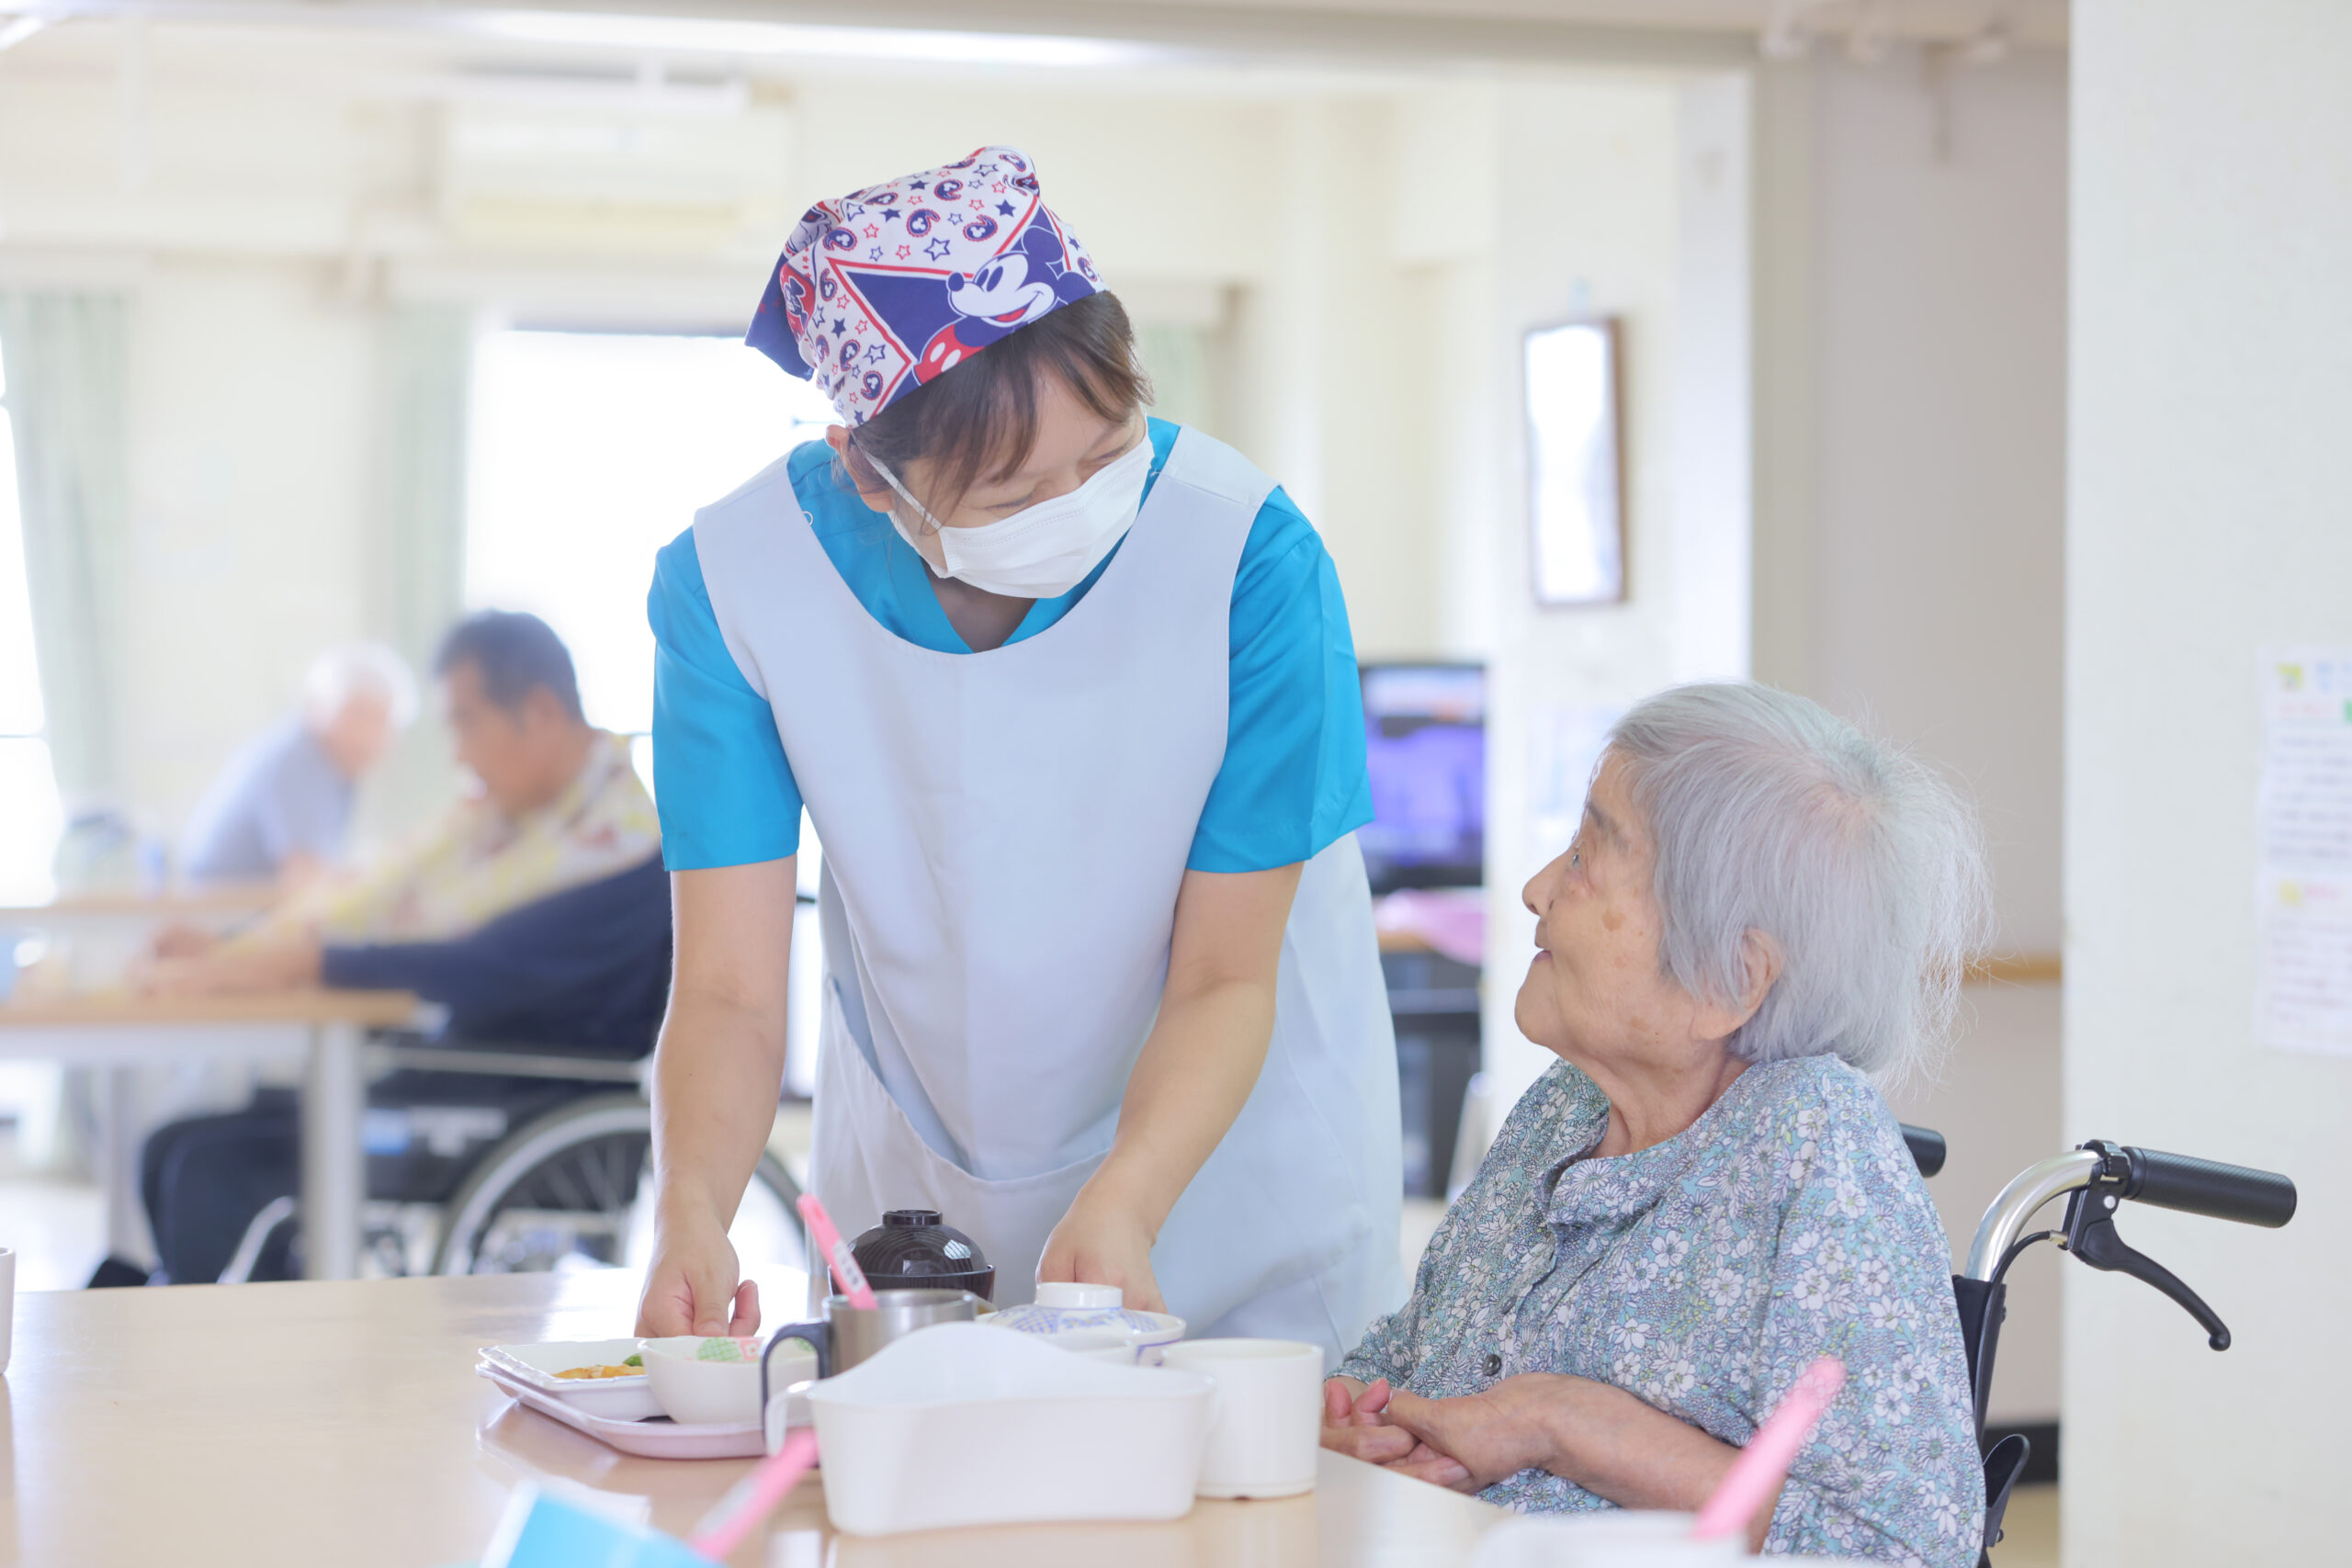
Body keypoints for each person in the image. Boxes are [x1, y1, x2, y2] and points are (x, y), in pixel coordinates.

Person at [638, 145, 1401, 1354]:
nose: (1077, 508)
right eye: (1008, 494)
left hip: (1227, 1179)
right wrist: (691, 1208)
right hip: (920, 1208)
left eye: (1104, 454)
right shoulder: (735, 585)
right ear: (868, 475)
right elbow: (729, 990)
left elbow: (1223, 976)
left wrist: (1129, 1195)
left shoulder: (1250, 561)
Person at [1321, 683, 1990, 1566]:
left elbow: (1896, 1546)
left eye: (1588, 860)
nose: (1533, 891)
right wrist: (1346, 1416)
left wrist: (1562, 1421)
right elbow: (1411, 1355)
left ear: (1729, 980)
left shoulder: (1814, 1149)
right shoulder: (1568, 1104)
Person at [119, 611, 670, 1285]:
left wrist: (296, 961)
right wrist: (237, 949)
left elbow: (472, 967)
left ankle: (214, 1362)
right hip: (447, 1083)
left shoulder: (613, 849)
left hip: (507, 1106)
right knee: (169, 1144)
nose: (458, 753)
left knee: (203, 1167)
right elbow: (386, 909)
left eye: (465, 722)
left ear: (540, 710)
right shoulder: (527, 831)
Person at [178, 643, 416, 888]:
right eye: (357, 713)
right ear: (319, 707)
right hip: (225, 915)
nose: (366, 735)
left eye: (381, 722)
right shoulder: (297, 759)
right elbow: (306, 880)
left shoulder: (337, 768)